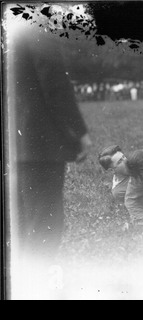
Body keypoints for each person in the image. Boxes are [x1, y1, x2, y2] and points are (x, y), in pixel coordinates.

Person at [7, 20, 92, 263]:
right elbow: (54, 81)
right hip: (38, 140)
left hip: (13, 137)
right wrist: (79, 132)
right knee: (43, 225)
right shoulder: (35, 21)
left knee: (17, 227)